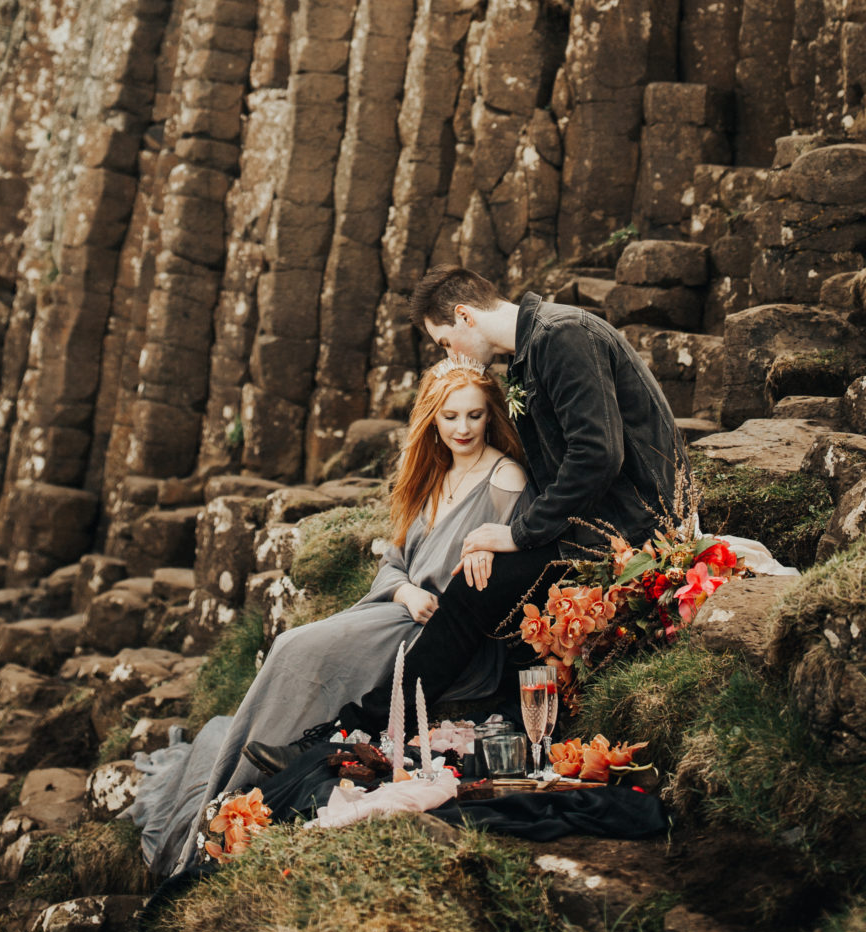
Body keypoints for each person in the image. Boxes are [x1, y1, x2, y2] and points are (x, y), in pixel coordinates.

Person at [252, 268, 690, 768]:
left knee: (470, 593)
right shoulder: (531, 353)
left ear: (464, 316)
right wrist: (497, 541)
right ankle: (368, 732)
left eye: (445, 341)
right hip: (591, 522)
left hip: (628, 529)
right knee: (480, 583)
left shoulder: (563, 335)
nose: (449, 356)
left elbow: (597, 455)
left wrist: (517, 534)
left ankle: (352, 733)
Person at [127, 356, 527, 881]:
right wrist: (405, 592)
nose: (462, 429)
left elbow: (520, 551)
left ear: (490, 415)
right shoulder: (432, 476)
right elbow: (394, 562)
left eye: (474, 416)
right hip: (404, 611)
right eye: (450, 417)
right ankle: (233, 777)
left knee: (297, 648)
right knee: (293, 646)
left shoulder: (505, 477)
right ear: (432, 418)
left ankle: (250, 774)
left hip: (450, 630)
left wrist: (490, 554)